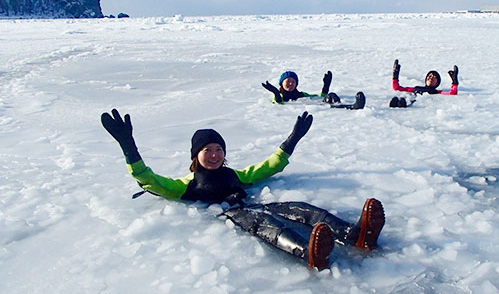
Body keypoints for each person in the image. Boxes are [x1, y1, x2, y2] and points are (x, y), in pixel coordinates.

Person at [101, 109, 384, 270]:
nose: (213, 155)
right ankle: (309, 252)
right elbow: (151, 181)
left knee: (301, 209)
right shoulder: (185, 187)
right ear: (195, 155)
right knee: (265, 223)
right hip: (233, 215)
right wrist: (130, 149)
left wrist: (292, 140)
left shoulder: (234, 174)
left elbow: (266, 168)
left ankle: (355, 234)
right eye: (207, 150)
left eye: (218, 149)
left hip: (250, 203)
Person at [263, 70, 366, 110]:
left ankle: (352, 106)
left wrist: (326, 86)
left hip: (315, 107)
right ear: (282, 83)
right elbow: (278, 102)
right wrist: (276, 93)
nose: (290, 84)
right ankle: (352, 107)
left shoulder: (301, 94)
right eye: (288, 81)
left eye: (293, 82)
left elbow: (318, 97)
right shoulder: (280, 96)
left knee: (331, 95)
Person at [389, 59, 459, 107]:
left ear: (437, 82)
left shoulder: (437, 92)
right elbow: (397, 88)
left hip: (416, 107)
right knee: (398, 99)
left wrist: (454, 82)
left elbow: (452, 93)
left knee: (403, 102)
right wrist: (395, 76)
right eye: (429, 76)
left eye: (434, 77)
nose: (431, 78)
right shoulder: (416, 88)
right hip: (410, 100)